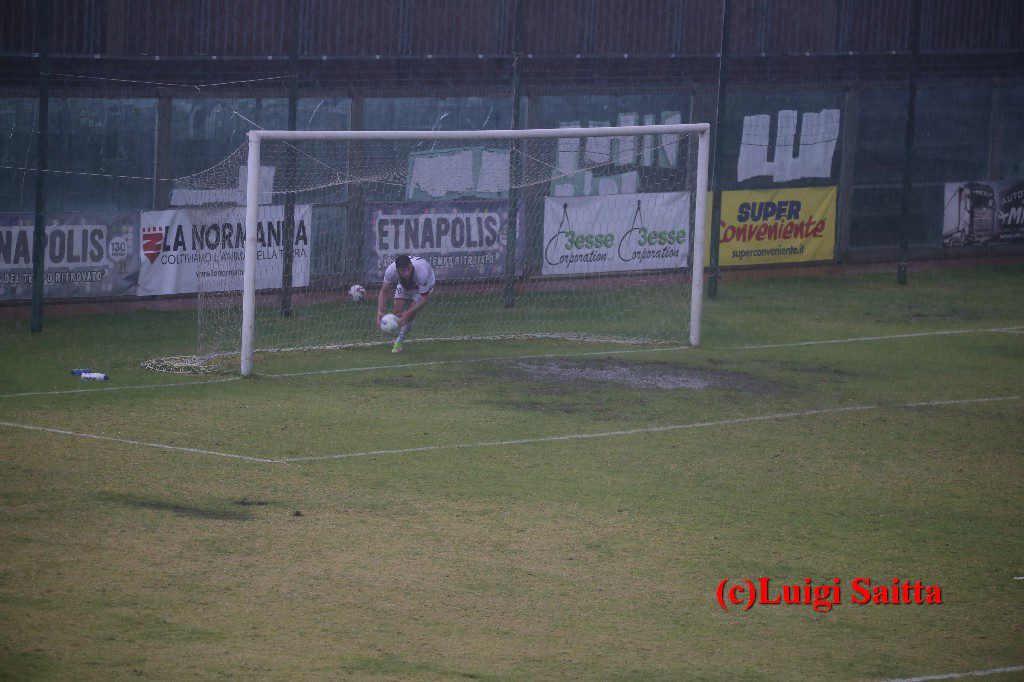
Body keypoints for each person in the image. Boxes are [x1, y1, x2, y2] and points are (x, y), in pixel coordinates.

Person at [377, 254, 436, 353]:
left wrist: (408, 313)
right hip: (405, 284)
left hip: (423, 286)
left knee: (409, 315)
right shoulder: (390, 271)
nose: (407, 273)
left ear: (411, 265)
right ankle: (396, 329)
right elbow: (384, 291)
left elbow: (425, 297)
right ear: (397, 270)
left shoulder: (421, 272)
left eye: (409, 268)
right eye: (403, 271)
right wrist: (379, 311)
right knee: (397, 314)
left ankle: (399, 342)